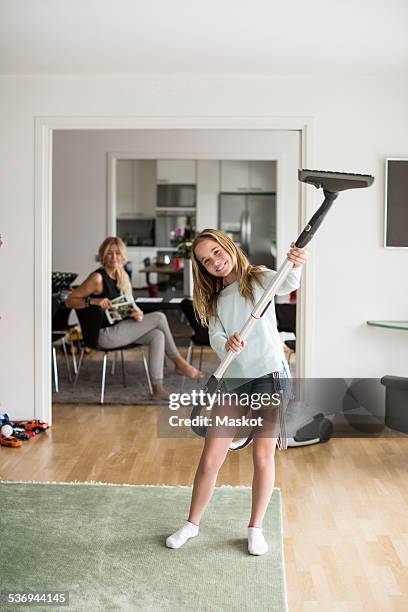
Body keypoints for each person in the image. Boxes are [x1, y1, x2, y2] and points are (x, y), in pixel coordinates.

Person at [166, 229, 306, 555]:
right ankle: (191, 524)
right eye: (206, 260)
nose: (215, 261)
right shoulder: (213, 300)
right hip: (235, 380)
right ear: (202, 268)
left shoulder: (258, 278)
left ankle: (255, 528)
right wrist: (225, 342)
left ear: (227, 246)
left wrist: (296, 263)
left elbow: (289, 282)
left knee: (262, 456)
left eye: (216, 251)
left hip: (270, 376)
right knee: (211, 458)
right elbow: (216, 335)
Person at [66, 237, 204, 400]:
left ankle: (157, 388)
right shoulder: (97, 278)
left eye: (118, 253)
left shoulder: (121, 275)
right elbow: (70, 301)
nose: (114, 257)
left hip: (120, 328)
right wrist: (93, 301)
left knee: (157, 335)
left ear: (123, 256)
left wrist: (136, 313)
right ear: (103, 255)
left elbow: (129, 303)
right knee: (159, 317)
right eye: (109, 253)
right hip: (103, 334)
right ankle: (179, 362)